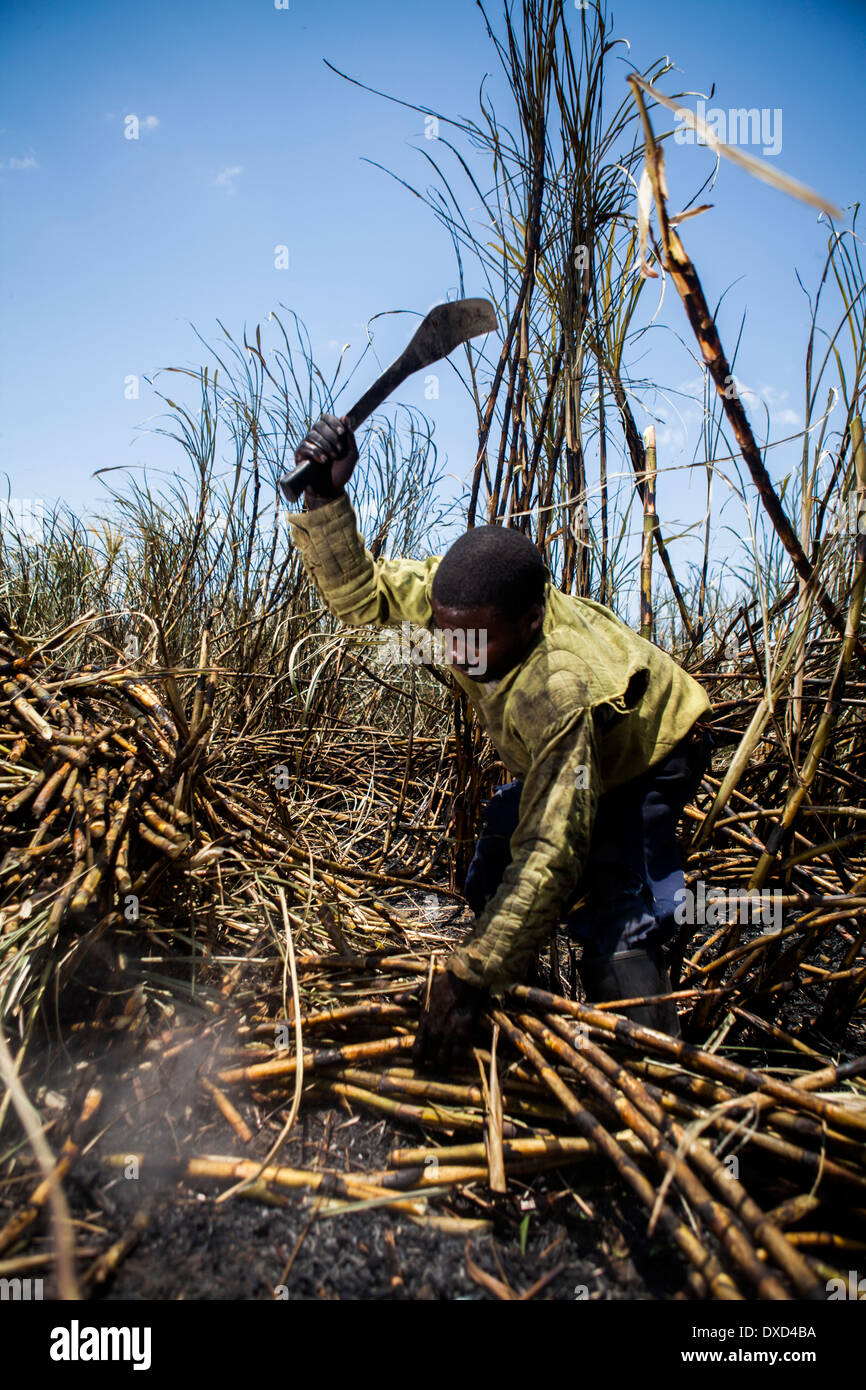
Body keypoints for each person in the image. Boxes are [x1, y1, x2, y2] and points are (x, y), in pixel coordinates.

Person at [287, 413, 713, 1071]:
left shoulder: (557, 683)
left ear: (531, 620)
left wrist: (468, 975)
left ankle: (652, 1078)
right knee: (493, 860)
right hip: (569, 751)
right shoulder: (450, 605)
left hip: (649, 751)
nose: (455, 653)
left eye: (474, 640)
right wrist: (325, 495)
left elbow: (552, 849)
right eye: (447, 633)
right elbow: (361, 597)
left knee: (618, 909)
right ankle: (525, 1010)